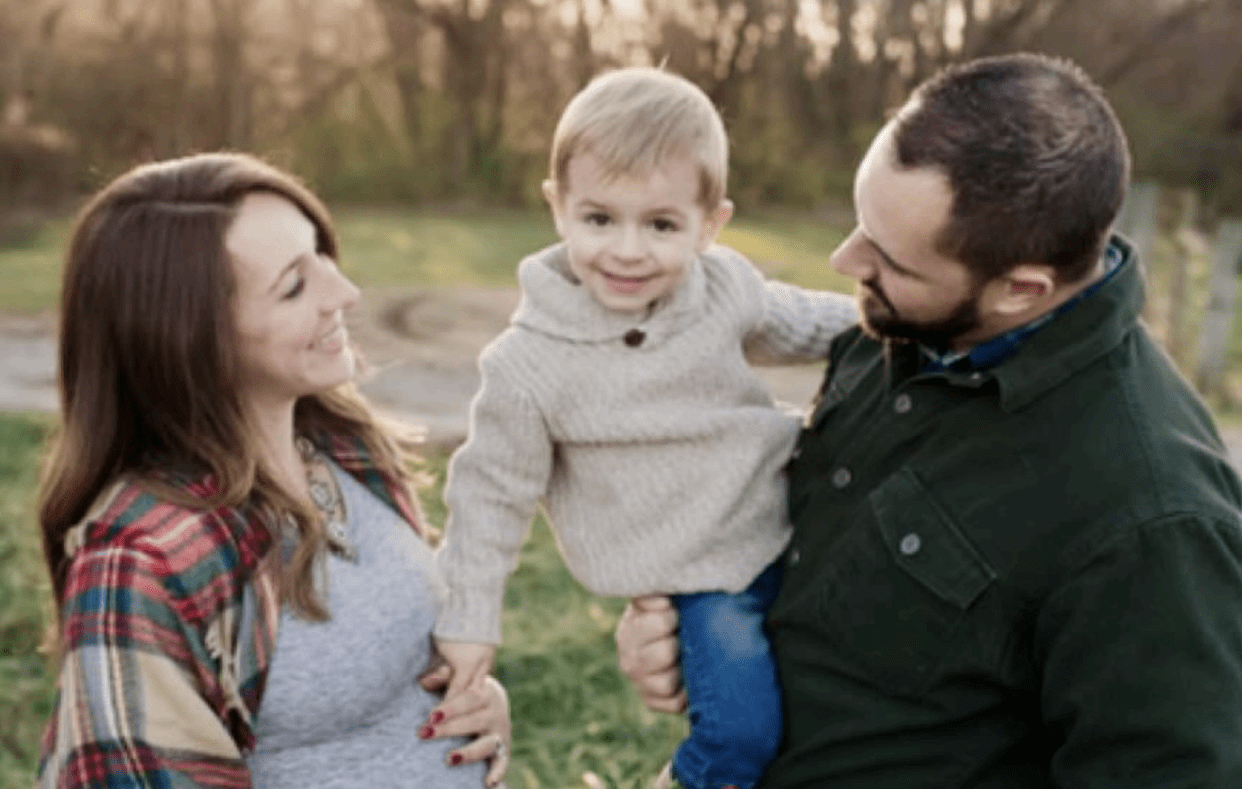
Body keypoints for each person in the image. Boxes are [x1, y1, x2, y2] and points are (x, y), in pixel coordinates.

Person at [616, 52, 1242, 786]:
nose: (846, 260)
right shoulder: (911, 332)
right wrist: (682, 639)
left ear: (1022, 288)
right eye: (861, 224)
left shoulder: (1153, 518)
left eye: (891, 259)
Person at [430, 67, 857, 789]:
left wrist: (890, 319)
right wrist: (470, 621)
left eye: (661, 224)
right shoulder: (529, 363)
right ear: (558, 208)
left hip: (799, 521)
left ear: (711, 224)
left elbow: (805, 323)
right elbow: (488, 499)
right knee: (739, 734)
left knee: (834, 710)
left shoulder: (720, 288)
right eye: (599, 219)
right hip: (703, 580)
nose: (628, 250)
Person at [36, 152, 511, 788]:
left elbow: (385, 670)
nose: (345, 293)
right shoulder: (141, 563)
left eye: (322, 256)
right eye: (294, 286)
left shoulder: (345, 448)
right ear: (189, 339)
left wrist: (476, 705)